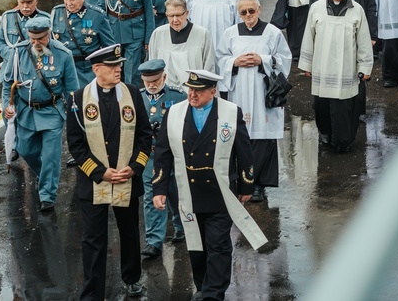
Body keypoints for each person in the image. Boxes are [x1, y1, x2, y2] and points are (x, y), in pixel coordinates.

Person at [152, 69, 266, 301]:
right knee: (197, 245)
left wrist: (246, 185)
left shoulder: (230, 112)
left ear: (213, 92)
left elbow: (244, 151)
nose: (192, 95)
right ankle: (203, 286)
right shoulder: (174, 113)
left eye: (199, 91)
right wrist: (159, 189)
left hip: (219, 192)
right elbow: (163, 154)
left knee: (218, 245)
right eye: (190, 89)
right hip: (188, 193)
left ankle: (214, 293)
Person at [66, 44, 151, 300]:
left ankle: (132, 277)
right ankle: (93, 291)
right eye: (113, 66)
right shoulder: (78, 98)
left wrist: (135, 168)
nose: (119, 69)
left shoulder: (132, 94)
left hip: (126, 177)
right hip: (95, 181)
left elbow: (145, 136)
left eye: (120, 65)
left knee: (129, 232)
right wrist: (99, 172)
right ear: (96, 69)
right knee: (93, 239)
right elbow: (75, 144)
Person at [216, 0, 292, 202]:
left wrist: (263, 60)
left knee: (261, 138)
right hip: (238, 92)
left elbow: (285, 60)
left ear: (259, 10)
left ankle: (257, 184)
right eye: (243, 12)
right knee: (239, 137)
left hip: (262, 93)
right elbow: (220, 58)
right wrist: (234, 62)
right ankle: (241, 182)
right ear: (238, 14)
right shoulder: (230, 33)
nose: (248, 15)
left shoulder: (272, 32)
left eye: (252, 11)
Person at [1, 15, 79, 212]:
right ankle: (46, 177)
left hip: (52, 111)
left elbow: (72, 90)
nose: (36, 43)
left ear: (49, 34)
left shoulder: (63, 54)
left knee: (51, 156)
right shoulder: (18, 53)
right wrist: (7, 107)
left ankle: (47, 195)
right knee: (26, 150)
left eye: (41, 39)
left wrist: (74, 118)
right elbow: (8, 83)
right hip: (26, 111)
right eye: (33, 39)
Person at [299, 0, 373, 151]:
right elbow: (309, 37)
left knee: (344, 107)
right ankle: (325, 135)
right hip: (321, 66)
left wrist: (364, 66)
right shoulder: (316, 8)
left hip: (346, 68)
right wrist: (306, 65)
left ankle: (343, 141)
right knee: (321, 105)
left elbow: (363, 40)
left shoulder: (357, 10)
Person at [137, 59, 187, 258]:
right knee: (151, 197)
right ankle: (154, 241)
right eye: (147, 81)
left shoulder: (178, 96)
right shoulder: (137, 98)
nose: (151, 84)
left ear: (164, 77)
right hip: (149, 156)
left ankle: (181, 225)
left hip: (173, 154)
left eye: (155, 80)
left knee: (175, 192)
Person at [99, 0, 156, 85]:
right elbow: (101, 8)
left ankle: (131, 100)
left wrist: (149, 38)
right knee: (113, 70)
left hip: (135, 32)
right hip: (113, 32)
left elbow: (148, 11)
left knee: (132, 72)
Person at [51, 0, 116, 84]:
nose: (69, 3)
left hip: (87, 70)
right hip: (64, 68)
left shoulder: (97, 15)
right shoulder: (57, 12)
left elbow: (109, 47)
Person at [148, 0, 216, 92]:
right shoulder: (158, 34)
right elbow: (153, 67)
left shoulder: (202, 34)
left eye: (179, 15)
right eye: (171, 16)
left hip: (194, 92)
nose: (175, 20)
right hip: (166, 94)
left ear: (187, 13)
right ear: (166, 15)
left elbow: (209, 67)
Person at [0, 0, 51, 76]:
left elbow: (51, 45)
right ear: (17, 0)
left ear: (36, 1)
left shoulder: (46, 19)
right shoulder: (8, 17)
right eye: (22, 2)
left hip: (36, 70)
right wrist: (13, 56)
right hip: (11, 70)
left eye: (29, 2)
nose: (25, 6)